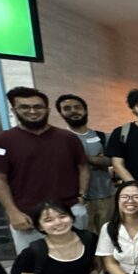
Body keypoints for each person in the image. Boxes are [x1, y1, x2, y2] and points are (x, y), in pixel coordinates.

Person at [0, 87, 89, 253]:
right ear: (14, 110)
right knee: (33, 268)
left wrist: (81, 197)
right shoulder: (0, 141)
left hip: (69, 211)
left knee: (76, 260)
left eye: (38, 107)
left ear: (47, 109)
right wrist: (12, 212)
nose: (32, 111)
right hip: (27, 217)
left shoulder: (68, 138)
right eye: (25, 107)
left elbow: (83, 168)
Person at [57, 93, 115, 234]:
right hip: (77, 200)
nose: (73, 111)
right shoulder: (60, 139)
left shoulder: (102, 136)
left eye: (77, 107)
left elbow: (110, 160)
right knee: (84, 238)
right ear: (61, 113)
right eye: (67, 108)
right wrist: (96, 159)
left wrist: (82, 158)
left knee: (108, 236)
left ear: (85, 109)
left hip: (106, 196)